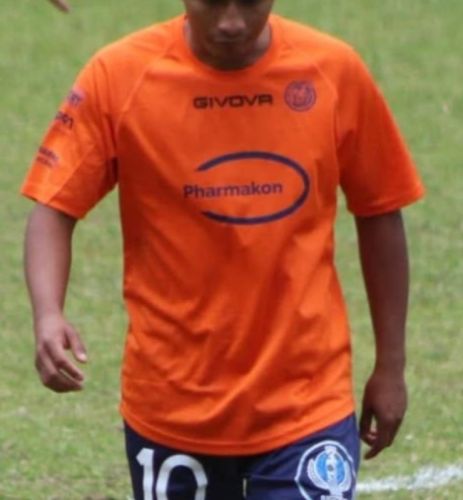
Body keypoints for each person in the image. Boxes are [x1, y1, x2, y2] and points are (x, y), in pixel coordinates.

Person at [22, 1, 424, 498]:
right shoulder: (120, 76)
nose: (231, 22)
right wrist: (48, 313)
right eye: (212, 1)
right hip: (173, 409)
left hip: (307, 405)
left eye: (249, 1)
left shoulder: (332, 71)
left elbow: (380, 211)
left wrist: (391, 365)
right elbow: (54, 207)